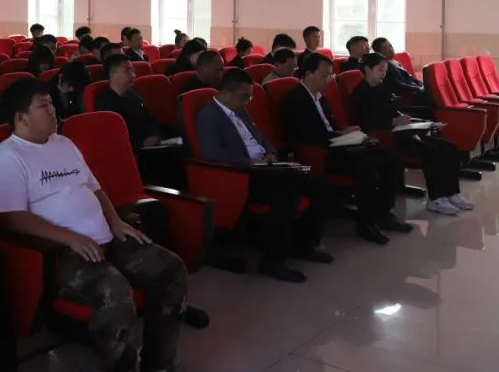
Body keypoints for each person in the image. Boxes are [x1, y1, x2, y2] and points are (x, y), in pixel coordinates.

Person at [0, 78, 186, 372]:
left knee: (170, 269)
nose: (53, 110)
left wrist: (115, 221)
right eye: (43, 106)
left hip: (105, 237)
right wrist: (70, 238)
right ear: (21, 117)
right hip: (64, 252)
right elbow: (12, 217)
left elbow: (95, 188)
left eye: (51, 103)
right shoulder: (7, 157)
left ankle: (159, 363)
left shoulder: (63, 143)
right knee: (115, 293)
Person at [195, 69, 332, 282]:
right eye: (244, 96)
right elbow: (211, 153)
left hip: (266, 167)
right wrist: (249, 162)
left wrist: (270, 152)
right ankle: (273, 261)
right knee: (287, 197)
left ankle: (305, 245)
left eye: (250, 97)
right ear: (226, 93)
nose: (247, 102)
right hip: (244, 175)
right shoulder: (209, 115)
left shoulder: (240, 110)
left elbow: (260, 138)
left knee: (319, 186)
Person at [281, 53, 411, 245]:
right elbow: (303, 134)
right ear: (308, 73)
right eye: (325, 75)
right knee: (366, 167)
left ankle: (383, 213)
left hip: (339, 145)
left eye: (330, 75)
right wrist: (337, 135)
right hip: (322, 152)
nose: (328, 79)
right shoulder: (295, 99)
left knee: (391, 159)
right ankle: (366, 224)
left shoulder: (321, 98)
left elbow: (330, 126)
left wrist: (346, 131)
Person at [351, 53, 471, 216]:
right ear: (367, 69)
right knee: (432, 151)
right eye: (380, 70)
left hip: (402, 132)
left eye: (385, 70)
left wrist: (404, 117)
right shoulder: (360, 92)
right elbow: (366, 122)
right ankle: (435, 199)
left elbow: (392, 111)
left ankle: (452, 193)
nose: (383, 74)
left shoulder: (381, 88)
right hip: (386, 138)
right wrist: (393, 122)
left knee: (450, 147)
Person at [95, 54, 169, 151]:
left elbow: (149, 119)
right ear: (113, 74)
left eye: (133, 70)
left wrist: (156, 135)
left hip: (150, 145)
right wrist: (142, 142)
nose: (133, 75)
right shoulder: (104, 102)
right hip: (131, 149)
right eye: (127, 71)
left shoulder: (133, 95)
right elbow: (114, 134)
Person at [372, 38, 433, 111]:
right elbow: (398, 85)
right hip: (407, 95)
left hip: (414, 89)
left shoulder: (396, 62)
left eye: (390, 46)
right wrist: (418, 89)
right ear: (379, 53)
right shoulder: (385, 67)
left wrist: (422, 85)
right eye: (385, 48)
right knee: (431, 98)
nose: (391, 49)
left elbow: (410, 78)